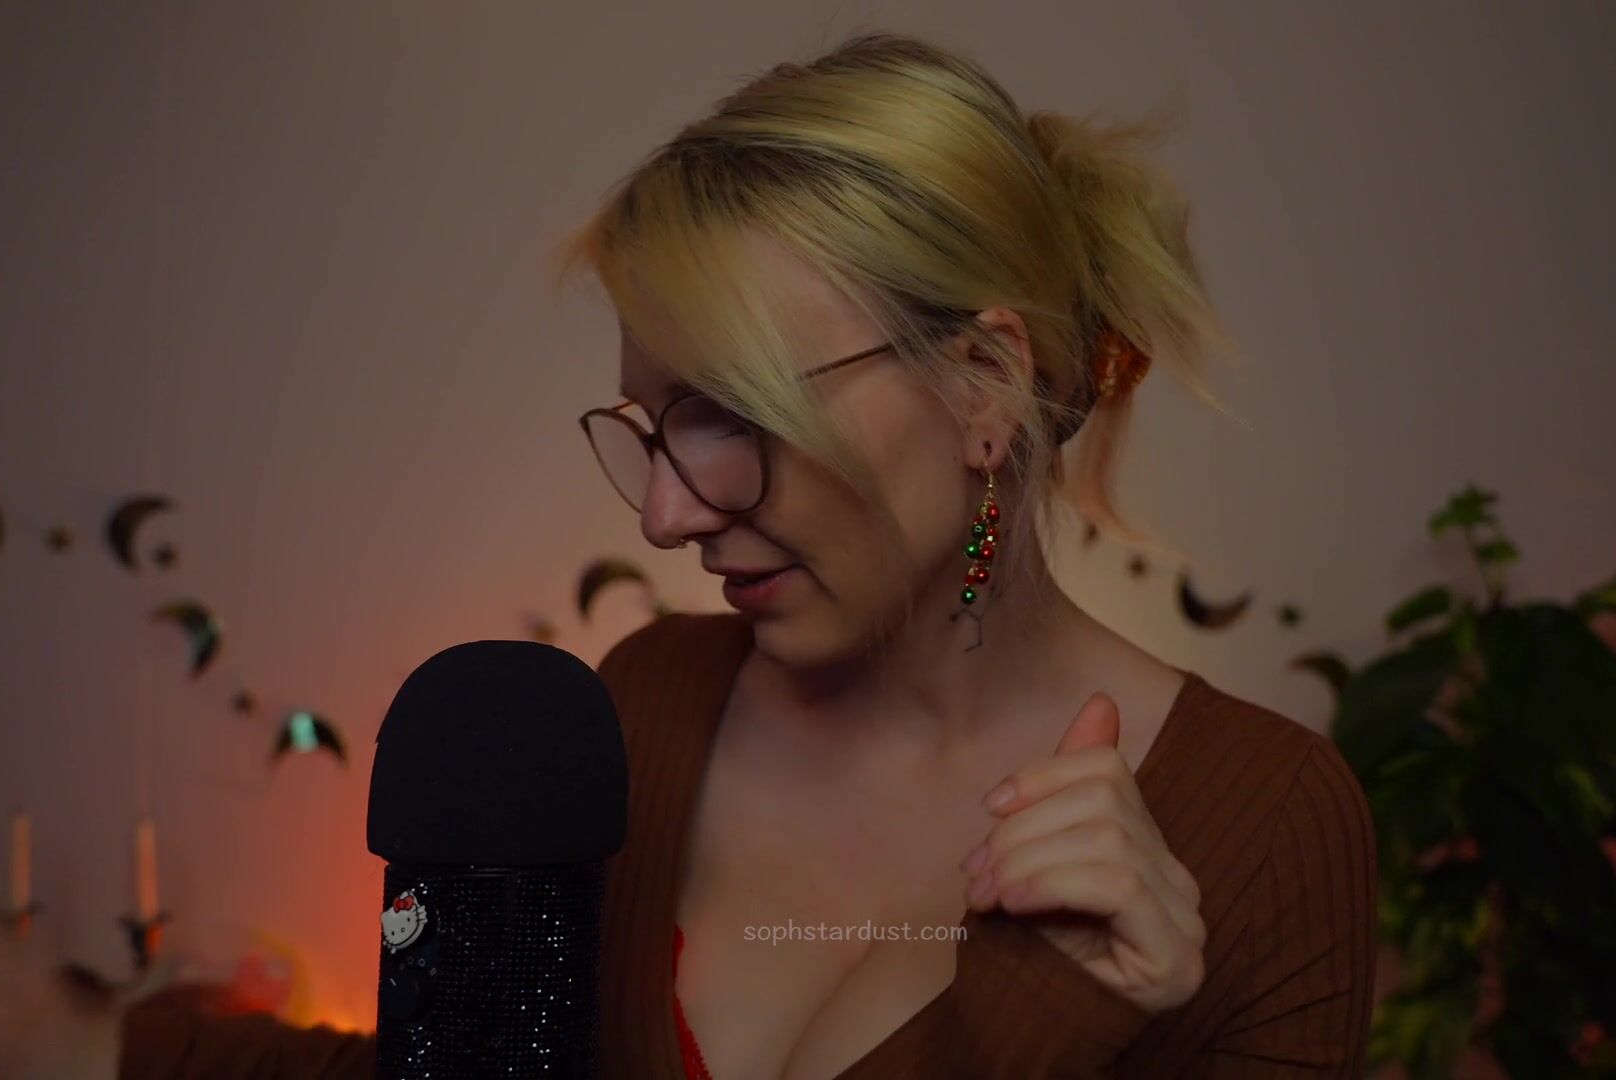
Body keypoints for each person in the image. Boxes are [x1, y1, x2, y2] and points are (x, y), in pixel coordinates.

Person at [108, 28, 1377, 1078]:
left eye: (729, 414)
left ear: (985, 382)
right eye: (653, 430)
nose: (665, 518)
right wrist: (87, 1046)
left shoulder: (1264, 827)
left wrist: (1055, 1028)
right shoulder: (647, 704)